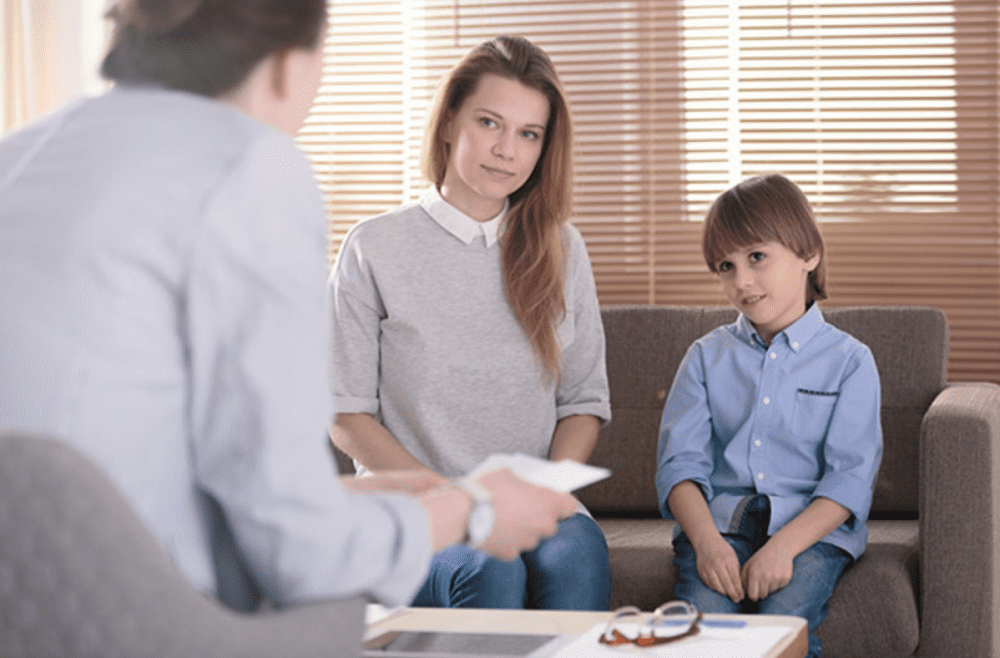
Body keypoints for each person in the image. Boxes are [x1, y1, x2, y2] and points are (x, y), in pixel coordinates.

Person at [0, 0, 577, 615]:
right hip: (143, 618)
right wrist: (470, 507)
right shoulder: (251, 165)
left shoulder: (23, 154)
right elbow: (299, 557)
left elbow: (149, 462)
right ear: (285, 64)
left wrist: (345, 496)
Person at [329, 35, 612, 610]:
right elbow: (346, 415)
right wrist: (462, 501)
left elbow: (582, 404)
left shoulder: (562, 249)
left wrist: (534, 494)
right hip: (421, 511)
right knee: (489, 571)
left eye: (528, 134)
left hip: (539, 505)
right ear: (451, 119)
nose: (507, 150)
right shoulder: (374, 247)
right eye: (490, 123)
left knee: (576, 557)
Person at [654, 173, 883, 657]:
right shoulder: (703, 356)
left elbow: (848, 479)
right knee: (700, 630)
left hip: (808, 531)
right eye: (725, 265)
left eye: (757, 257)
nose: (742, 281)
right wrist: (707, 544)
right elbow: (679, 467)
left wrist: (783, 548)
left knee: (782, 626)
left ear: (808, 254)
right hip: (720, 527)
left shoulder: (850, 360)